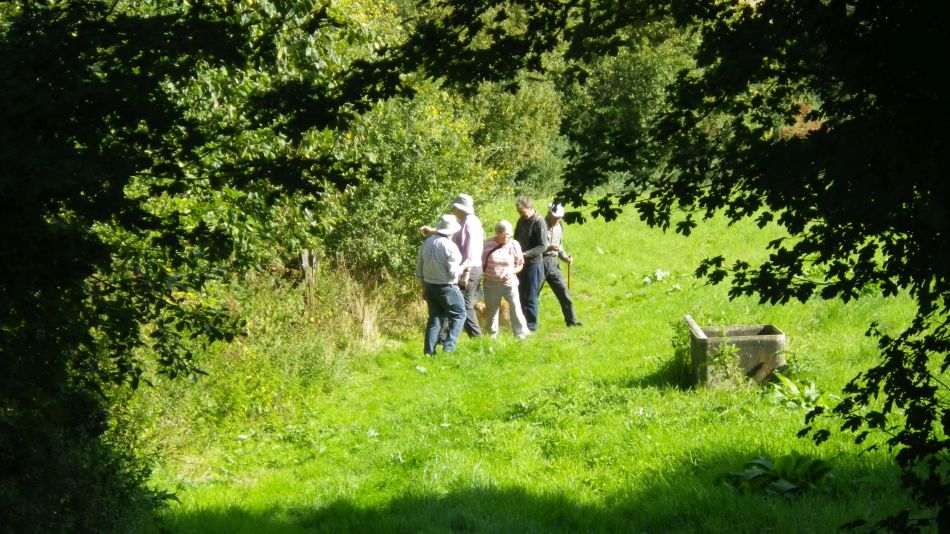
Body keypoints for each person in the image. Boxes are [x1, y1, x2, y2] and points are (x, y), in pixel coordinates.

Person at [420, 193, 484, 339]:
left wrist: (466, 273)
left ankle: (477, 338)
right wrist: (434, 231)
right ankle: (443, 338)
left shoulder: (469, 223)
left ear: (460, 208)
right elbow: (452, 233)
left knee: (462, 304)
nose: (453, 209)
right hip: (466, 267)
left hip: (469, 268)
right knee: (454, 303)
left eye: (454, 207)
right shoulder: (465, 221)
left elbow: (470, 251)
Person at [415, 214, 468, 355]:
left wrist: (423, 287)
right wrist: (464, 266)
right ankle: (448, 348)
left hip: (430, 286)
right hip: (447, 287)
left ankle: (428, 352)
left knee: (434, 318)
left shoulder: (427, 243)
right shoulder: (450, 246)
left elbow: (419, 267)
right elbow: (453, 272)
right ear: (452, 231)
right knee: (460, 315)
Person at [481, 220, 530, 339]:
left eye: (508, 235)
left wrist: (512, 271)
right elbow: (481, 263)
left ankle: (520, 334)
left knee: (515, 306)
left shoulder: (514, 244)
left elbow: (520, 264)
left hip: (509, 282)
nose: (506, 237)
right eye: (503, 235)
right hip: (491, 283)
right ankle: (491, 335)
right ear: (497, 233)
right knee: (492, 309)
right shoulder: (487, 244)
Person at [543, 203, 583, 327]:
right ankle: (528, 325)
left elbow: (559, 245)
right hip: (540, 262)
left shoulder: (559, 225)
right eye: (555, 217)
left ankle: (572, 322)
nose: (557, 220)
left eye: (559, 217)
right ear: (549, 214)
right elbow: (535, 246)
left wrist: (565, 257)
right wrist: (548, 247)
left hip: (554, 262)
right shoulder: (540, 225)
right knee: (533, 295)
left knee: (563, 292)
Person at [513, 196, 549, 332]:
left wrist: (525, 254)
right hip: (520, 264)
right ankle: (522, 323)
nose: (520, 214)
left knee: (530, 296)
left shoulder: (539, 222)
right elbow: (515, 239)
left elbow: (542, 246)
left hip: (533, 264)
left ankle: (532, 326)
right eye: (518, 211)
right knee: (520, 294)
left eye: (522, 211)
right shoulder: (521, 220)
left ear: (530, 208)